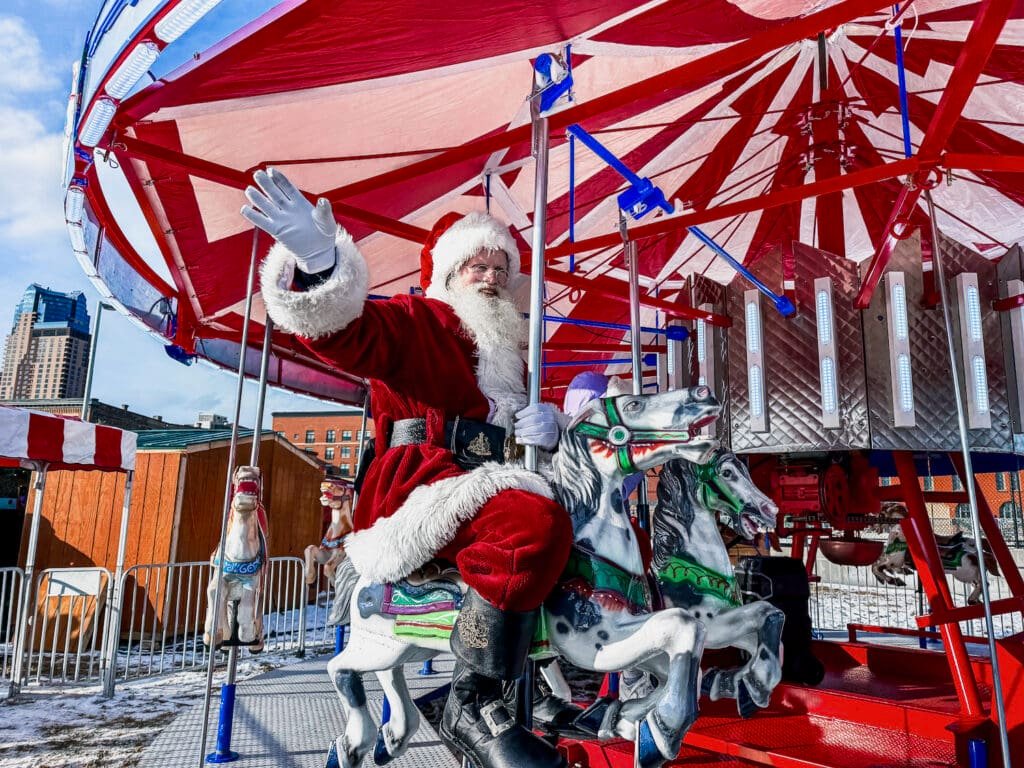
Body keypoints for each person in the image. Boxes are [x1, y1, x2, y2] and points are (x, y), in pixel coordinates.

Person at [243, 168, 569, 768]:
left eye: (502, 269)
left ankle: (549, 682)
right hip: (424, 480)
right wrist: (320, 264)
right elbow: (358, 332)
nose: (493, 278)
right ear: (449, 273)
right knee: (533, 523)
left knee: (580, 529)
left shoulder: (505, 357)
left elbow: (519, 436)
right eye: (479, 266)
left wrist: (547, 428)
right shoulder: (423, 321)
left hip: (486, 479)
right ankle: (472, 702)